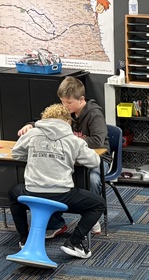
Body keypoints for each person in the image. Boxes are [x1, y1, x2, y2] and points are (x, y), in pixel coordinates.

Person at [9, 103, 104, 260]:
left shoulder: (32, 134)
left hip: (32, 191)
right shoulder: (73, 140)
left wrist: (36, 156)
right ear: (67, 122)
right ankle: (74, 242)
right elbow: (95, 161)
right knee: (98, 204)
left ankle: (24, 239)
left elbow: (16, 154)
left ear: (45, 118)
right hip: (61, 194)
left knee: (13, 193)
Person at [18, 76, 109, 238]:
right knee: (50, 178)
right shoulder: (65, 112)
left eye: (68, 103)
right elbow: (46, 123)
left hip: (98, 158)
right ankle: (56, 223)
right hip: (68, 158)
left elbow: (97, 141)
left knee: (93, 179)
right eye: (62, 102)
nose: (64, 106)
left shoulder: (94, 114)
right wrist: (30, 125)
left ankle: (92, 216)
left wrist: (70, 141)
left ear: (81, 100)